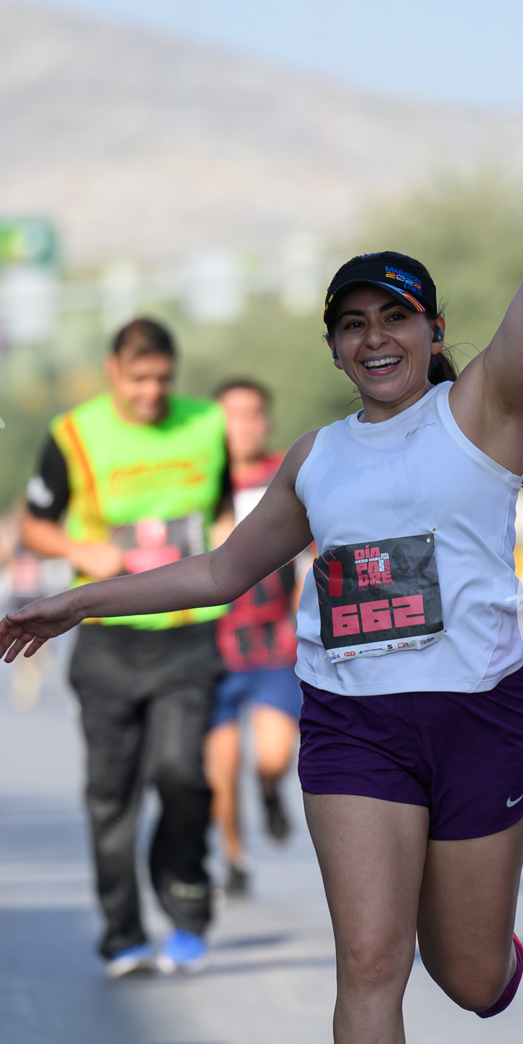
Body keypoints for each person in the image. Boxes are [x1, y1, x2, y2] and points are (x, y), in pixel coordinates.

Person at [0, 56, 523, 1044]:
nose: (374, 338)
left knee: (466, 978)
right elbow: (216, 573)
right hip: (354, 728)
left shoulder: (479, 408)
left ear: (434, 335)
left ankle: (485, 950)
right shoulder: (317, 460)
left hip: (477, 720)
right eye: (351, 325)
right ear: (335, 347)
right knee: (368, 957)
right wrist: (78, 603)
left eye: (394, 319)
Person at [21, 319, 228, 978]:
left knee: (180, 772)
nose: (151, 391)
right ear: (113, 371)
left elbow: (226, 511)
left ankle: (188, 906)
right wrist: (81, 550)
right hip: (107, 636)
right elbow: (33, 523)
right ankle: (123, 934)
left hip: (189, 630)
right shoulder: (74, 433)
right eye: (138, 378)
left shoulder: (208, 424)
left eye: (163, 377)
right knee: (111, 792)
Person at [204, 377, 303, 898]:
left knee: (272, 754)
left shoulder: (285, 474)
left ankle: (269, 789)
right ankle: (235, 857)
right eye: (229, 415)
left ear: (265, 421)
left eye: (251, 415)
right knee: (221, 768)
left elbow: (312, 553)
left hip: (272, 645)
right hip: (209, 648)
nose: (240, 427)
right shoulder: (198, 481)